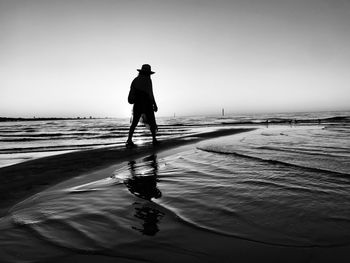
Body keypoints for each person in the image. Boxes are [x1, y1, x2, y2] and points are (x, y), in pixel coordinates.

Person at [126, 64, 158, 147]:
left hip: (138, 104)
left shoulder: (135, 80)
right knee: (151, 121)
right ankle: (154, 139)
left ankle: (129, 140)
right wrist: (155, 104)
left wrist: (132, 100)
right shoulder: (148, 80)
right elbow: (151, 93)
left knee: (134, 123)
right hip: (147, 103)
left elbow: (131, 93)